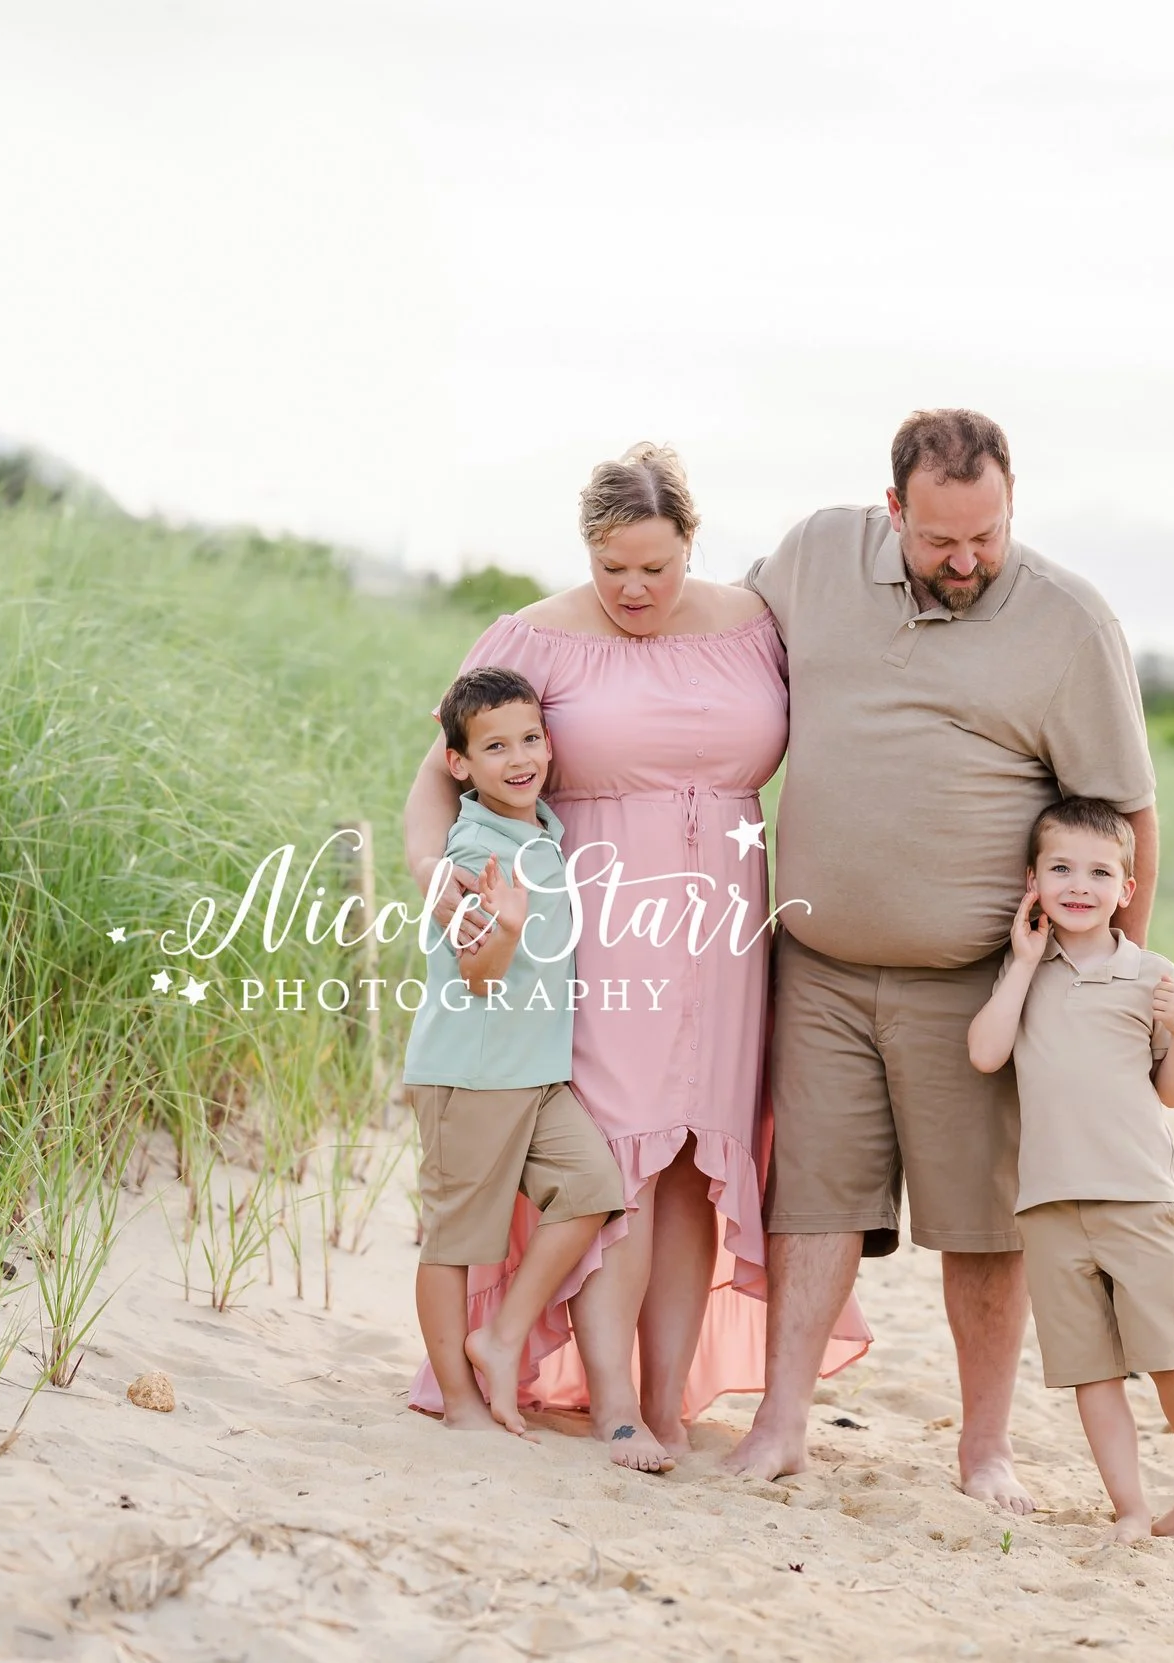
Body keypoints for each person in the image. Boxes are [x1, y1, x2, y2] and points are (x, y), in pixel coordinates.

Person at [724, 409, 1160, 1512]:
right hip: (817, 963)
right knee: (811, 1196)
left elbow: (1127, 817)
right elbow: (715, 643)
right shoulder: (814, 554)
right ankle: (781, 1424)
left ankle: (984, 1450)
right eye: (939, 541)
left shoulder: (1069, 622)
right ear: (892, 512)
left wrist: (1115, 986)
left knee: (982, 1220)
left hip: (979, 981)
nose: (966, 562)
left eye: (988, 536)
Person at [403, 444, 868, 1472]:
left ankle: (666, 1401)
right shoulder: (535, 634)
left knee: (703, 1161)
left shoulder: (754, 627)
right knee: (619, 1155)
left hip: (728, 927)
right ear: (588, 550)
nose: (634, 589)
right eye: (613, 566)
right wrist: (439, 878)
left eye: (655, 567)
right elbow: (436, 777)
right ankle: (611, 1400)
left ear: (690, 545)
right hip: (601, 918)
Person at [965, 796, 1174, 1540]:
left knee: (1167, 1353)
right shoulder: (1026, 973)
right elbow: (985, 1052)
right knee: (1091, 1369)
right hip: (1048, 1205)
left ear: (1126, 890)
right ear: (1032, 881)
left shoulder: (1152, 974)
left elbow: (1172, 1088)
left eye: (1100, 871)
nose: (1080, 884)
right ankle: (1131, 1506)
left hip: (1136, 1196)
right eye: (1061, 868)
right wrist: (1021, 961)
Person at [403, 666, 627, 1444]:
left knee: (593, 1187)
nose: (519, 756)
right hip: (471, 1073)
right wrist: (498, 926)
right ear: (458, 764)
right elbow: (479, 978)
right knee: (456, 1239)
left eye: (529, 737)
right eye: (494, 746)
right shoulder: (471, 849)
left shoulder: (540, 829)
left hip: (535, 1076)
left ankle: (500, 1336)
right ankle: (460, 1402)